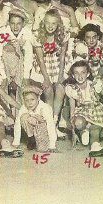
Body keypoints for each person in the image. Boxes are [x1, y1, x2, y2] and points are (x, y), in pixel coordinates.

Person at [32, 9, 71, 138]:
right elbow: (40, 60)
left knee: (60, 89)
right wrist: (46, 79)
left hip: (57, 66)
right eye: (48, 23)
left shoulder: (63, 35)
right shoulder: (38, 36)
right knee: (48, 91)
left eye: (54, 23)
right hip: (43, 69)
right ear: (43, 23)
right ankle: (50, 125)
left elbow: (63, 56)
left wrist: (60, 76)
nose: (50, 26)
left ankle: (54, 124)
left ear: (58, 24)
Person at [0, 7, 48, 98]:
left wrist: (25, 76)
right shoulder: (2, 32)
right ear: (8, 23)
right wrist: (3, 75)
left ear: (23, 24)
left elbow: (28, 55)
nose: (15, 27)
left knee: (24, 88)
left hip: (20, 66)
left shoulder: (26, 32)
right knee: (3, 89)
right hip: (4, 65)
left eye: (19, 23)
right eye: (12, 23)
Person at [64, 60, 103, 157]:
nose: (80, 76)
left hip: (95, 111)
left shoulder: (93, 84)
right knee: (79, 123)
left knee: (95, 127)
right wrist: (73, 129)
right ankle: (84, 131)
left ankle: (95, 146)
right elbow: (72, 109)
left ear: (88, 74)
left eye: (83, 72)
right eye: (76, 73)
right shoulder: (71, 88)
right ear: (73, 75)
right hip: (81, 112)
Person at [12, 80, 58, 152]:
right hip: (34, 129)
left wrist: (52, 145)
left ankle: (40, 141)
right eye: (27, 100)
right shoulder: (24, 107)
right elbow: (17, 124)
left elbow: (51, 126)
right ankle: (32, 139)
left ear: (38, 98)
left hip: (44, 130)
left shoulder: (45, 108)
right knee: (23, 117)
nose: (30, 103)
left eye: (32, 99)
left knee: (41, 150)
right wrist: (16, 143)